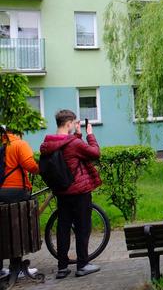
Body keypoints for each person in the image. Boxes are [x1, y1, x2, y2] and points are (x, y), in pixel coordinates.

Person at [40, 110, 101, 278]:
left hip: (62, 191)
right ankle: (82, 265)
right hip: (79, 192)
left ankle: (62, 267)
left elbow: (72, 156)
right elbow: (94, 153)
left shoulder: (49, 142)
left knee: (63, 228)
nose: (75, 126)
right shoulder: (73, 143)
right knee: (83, 228)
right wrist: (89, 135)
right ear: (68, 124)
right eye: (74, 123)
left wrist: (77, 136)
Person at [0, 126, 40, 278]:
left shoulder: (1, 144)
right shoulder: (19, 144)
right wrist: (41, 168)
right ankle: (16, 266)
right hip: (15, 191)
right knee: (18, 224)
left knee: (4, 227)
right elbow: (30, 165)